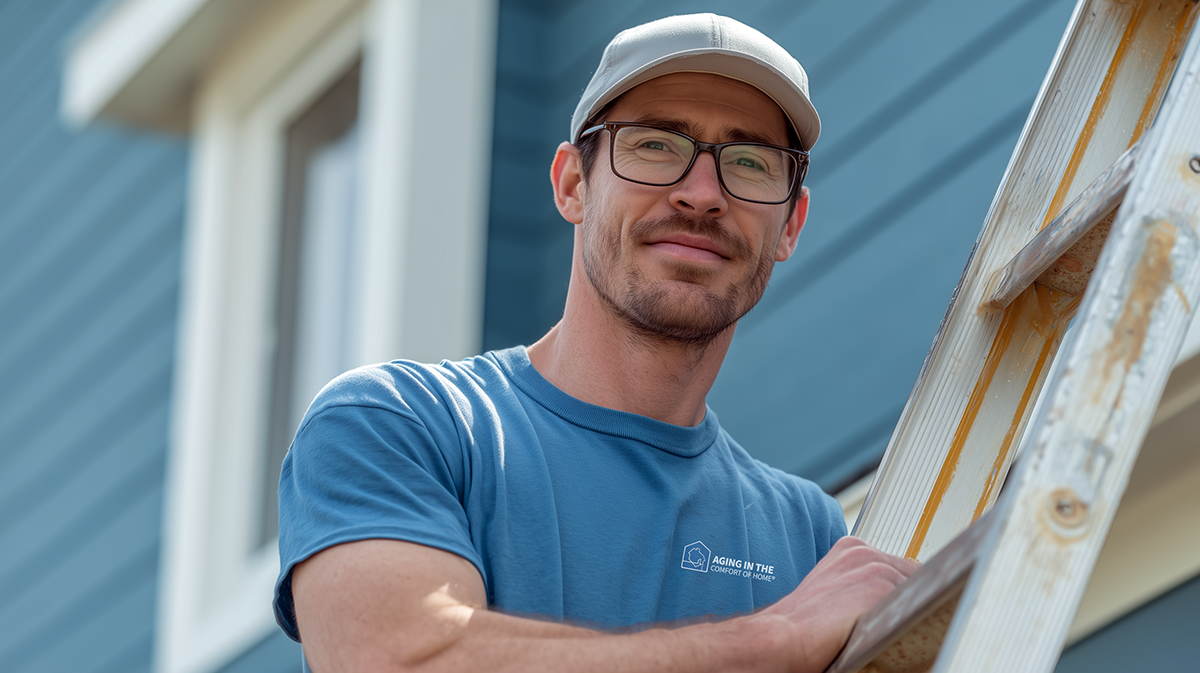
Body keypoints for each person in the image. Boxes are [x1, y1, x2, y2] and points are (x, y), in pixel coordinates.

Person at [274, 13, 918, 673]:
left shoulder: (809, 536)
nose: (701, 195)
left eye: (750, 162)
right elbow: (399, 659)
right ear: (572, 184)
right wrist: (777, 638)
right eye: (655, 146)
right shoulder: (401, 425)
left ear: (791, 225)